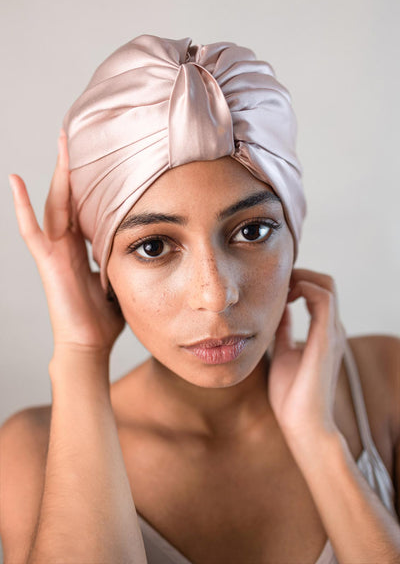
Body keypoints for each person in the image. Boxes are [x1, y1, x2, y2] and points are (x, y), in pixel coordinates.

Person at [1, 34, 399, 564]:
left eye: (253, 231)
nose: (217, 295)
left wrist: (319, 441)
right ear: (103, 268)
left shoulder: (384, 385)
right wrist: (80, 354)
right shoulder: (30, 449)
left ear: (293, 228)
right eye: (154, 246)